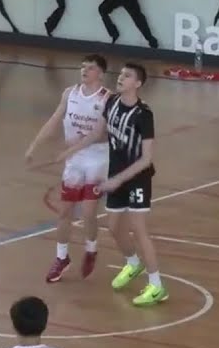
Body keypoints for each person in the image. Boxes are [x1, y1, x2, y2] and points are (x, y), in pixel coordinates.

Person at [60, 63, 163, 306]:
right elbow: (98, 133)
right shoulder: (112, 103)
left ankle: (157, 285)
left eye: (127, 76)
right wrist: (72, 150)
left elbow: (147, 158)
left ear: (137, 84)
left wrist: (118, 179)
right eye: (121, 74)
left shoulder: (143, 115)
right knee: (114, 227)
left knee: (138, 229)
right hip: (115, 175)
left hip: (137, 177)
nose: (121, 77)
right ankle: (132, 263)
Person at [25, 54, 110, 283]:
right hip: (74, 160)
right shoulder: (69, 93)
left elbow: (100, 134)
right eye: (82, 67)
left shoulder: (106, 99)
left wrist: (70, 150)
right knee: (65, 212)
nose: (84, 71)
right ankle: (61, 258)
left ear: (100, 73)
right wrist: (34, 145)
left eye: (90, 68)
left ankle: (91, 249)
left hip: (97, 159)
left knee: (89, 213)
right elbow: (54, 120)